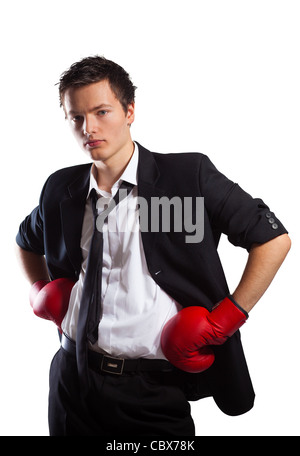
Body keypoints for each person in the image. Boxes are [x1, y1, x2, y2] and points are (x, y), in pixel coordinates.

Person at [15, 55, 291, 436]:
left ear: (130, 111)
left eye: (101, 111)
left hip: (151, 389)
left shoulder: (186, 178)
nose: (88, 128)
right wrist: (39, 291)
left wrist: (225, 319)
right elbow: (24, 241)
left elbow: (272, 238)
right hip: (70, 380)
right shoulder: (61, 187)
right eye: (76, 117)